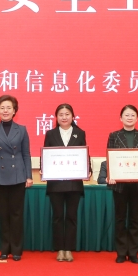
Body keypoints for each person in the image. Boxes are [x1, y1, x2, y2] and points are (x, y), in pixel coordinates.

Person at [0, 95, 32, 261]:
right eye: (2, 108)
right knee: (3, 214)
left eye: (8, 108)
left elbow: (26, 154)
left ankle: (17, 249)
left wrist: (29, 176)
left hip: (18, 176)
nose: (5, 111)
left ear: (14, 111)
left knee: (16, 214)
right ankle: (5, 248)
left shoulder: (22, 129)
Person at [106, 105, 138, 264]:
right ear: (121, 118)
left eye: (133, 115)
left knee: (134, 219)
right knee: (120, 219)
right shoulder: (114, 135)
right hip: (119, 184)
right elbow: (110, 157)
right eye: (126, 115)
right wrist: (111, 175)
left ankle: (133, 252)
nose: (130, 117)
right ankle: (121, 252)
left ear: (137, 118)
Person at [42, 103, 89, 263]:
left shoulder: (80, 133)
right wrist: (44, 168)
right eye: (61, 114)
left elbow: (84, 154)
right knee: (57, 216)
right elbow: (46, 156)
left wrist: (87, 169)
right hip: (56, 184)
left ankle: (68, 249)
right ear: (56, 117)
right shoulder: (51, 134)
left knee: (71, 216)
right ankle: (59, 249)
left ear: (72, 116)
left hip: (74, 183)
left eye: (67, 114)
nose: (64, 117)